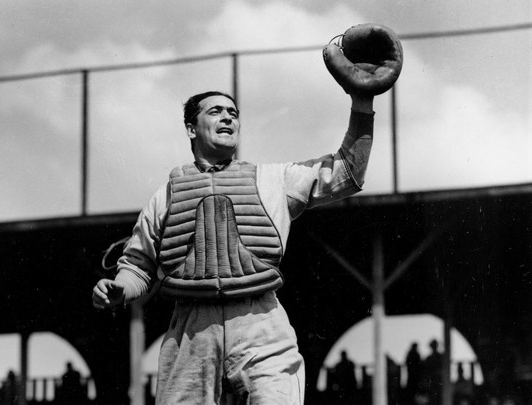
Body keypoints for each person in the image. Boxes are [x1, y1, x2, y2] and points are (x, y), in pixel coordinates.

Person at [92, 28, 396, 403]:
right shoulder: (167, 194)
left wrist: (361, 103)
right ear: (191, 127)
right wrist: (119, 288)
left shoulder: (272, 180)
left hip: (260, 320)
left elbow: (347, 172)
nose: (227, 118)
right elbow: (138, 264)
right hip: (191, 329)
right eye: (215, 111)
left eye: (233, 113)